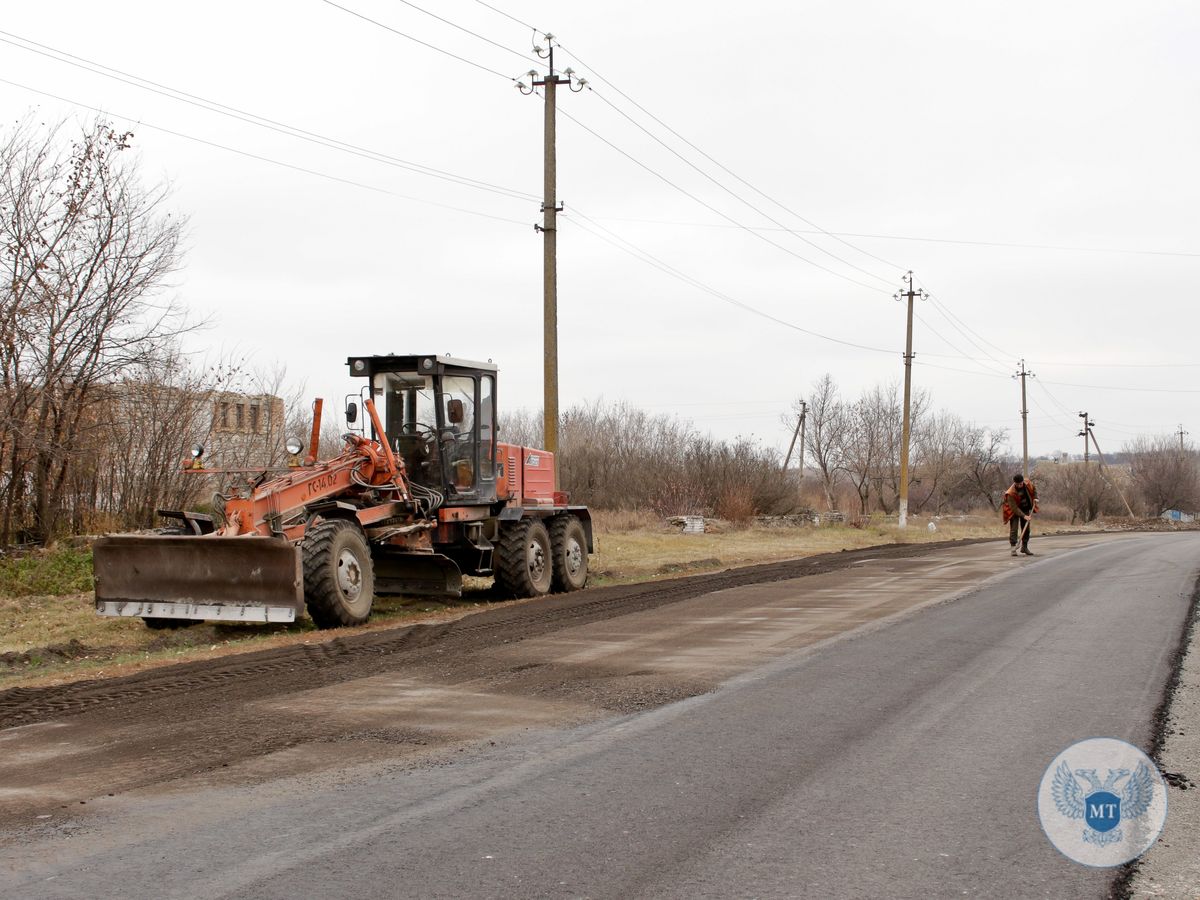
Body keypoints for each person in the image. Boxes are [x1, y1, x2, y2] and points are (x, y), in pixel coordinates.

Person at [1002, 473, 1039, 556]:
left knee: (1026, 529)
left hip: (1025, 508)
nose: (1019, 485)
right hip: (1014, 511)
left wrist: (1035, 497)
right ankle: (1013, 548)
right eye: (1017, 484)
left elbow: (1034, 489)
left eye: (1021, 484)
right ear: (1014, 483)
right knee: (1014, 529)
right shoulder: (1010, 493)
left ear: (1023, 482)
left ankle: (1024, 547)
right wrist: (1024, 516)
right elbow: (1014, 508)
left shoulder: (1027, 483)